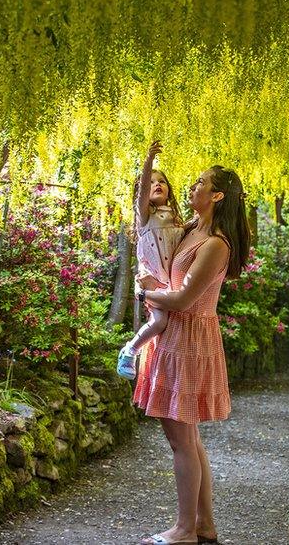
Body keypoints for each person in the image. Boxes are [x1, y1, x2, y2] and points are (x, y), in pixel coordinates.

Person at [133, 165, 250, 545]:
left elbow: (183, 298)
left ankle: (184, 529)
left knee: (181, 441)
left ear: (217, 196)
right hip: (174, 337)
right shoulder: (189, 231)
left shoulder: (216, 243)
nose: (192, 186)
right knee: (190, 439)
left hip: (189, 339)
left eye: (200, 183)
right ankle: (204, 525)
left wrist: (144, 294)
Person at [117, 140, 185, 379]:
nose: (157, 184)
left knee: (173, 326)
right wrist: (148, 162)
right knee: (159, 322)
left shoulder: (176, 218)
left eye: (162, 181)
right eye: (152, 182)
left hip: (174, 282)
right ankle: (130, 350)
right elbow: (144, 185)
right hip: (153, 280)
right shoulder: (145, 216)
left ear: (169, 190)